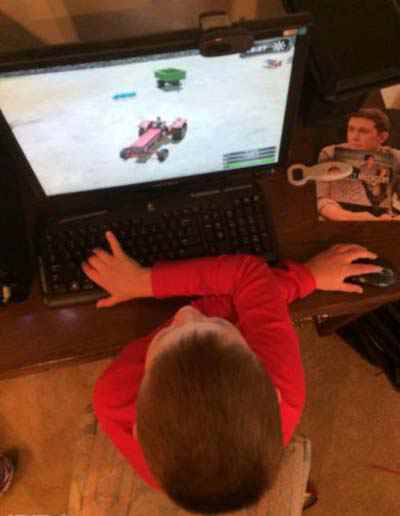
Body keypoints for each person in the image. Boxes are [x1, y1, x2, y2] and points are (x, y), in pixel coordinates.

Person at [82, 232, 383, 514]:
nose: (185, 312)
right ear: (273, 394)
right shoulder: (283, 383)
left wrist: (141, 283)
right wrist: (306, 277)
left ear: (138, 428)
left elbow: (244, 291)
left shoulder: (113, 395)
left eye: (166, 336)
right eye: (218, 326)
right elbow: (248, 280)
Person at [317, 108, 400, 221]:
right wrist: (350, 217)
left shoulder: (395, 157)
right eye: (351, 129)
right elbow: (321, 199)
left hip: (384, 221)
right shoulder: (330, 153)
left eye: (363, 131)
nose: (354, 137)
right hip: (339, 221)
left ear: (382, 137)